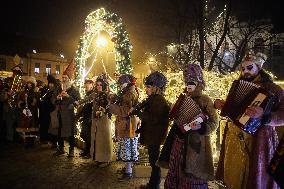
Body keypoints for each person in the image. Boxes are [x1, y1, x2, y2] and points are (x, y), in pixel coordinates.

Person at [215, 51, 284, 189]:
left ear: (259, 67)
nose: (245, 71)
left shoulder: (274, 89)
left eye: (249, 67)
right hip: (234, 142)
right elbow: (233, 112)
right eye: (243, 68)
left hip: (259, 142)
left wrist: (265, 116)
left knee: (255, 179)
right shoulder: (237, 86)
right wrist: (224, 106)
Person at [163, 64, 218, 189]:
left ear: (198, 82)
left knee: (192, 175)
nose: (188, 85)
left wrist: (203, 127)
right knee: (176, 169)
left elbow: (214, 122)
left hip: (195, 145)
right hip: (179, 141)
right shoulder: (183, 98)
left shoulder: (205, 100)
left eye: (191, 82)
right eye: (186, 81)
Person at [130, 71, 170, 189]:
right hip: (153, 135)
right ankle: (153, 184)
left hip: (155, 135)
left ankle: (154, 185)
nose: (146, 89)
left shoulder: (158, 100)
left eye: (148, 87)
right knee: (153, 161)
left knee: (154, 162)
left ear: (156, 88)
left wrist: (139, 113)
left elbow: (153, 119)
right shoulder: (153, 99)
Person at [108, 74, 139, 179]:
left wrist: (111, 107)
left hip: (128, 125)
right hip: (126, 124)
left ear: (126, 84)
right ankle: (127, 168)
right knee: (127, 148)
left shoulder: (129, 94)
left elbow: (125, 111)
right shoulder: (127, 93)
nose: (120, 86)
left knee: (128, 148)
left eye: (122, 84)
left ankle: (128, 172)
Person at [53, 62, 80, 157]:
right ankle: (61, 148)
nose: (64, 80)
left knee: (70, 132)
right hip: (60, 112)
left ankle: (71, 150)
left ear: (69, 79)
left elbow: (78, 102)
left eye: (66, 78)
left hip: (69, 114)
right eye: (63, 77)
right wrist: (57, 98)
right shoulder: (58, 89)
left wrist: (68, 96)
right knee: (59, 131)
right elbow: (53, 100)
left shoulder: (74, 90)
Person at [90, 75, 113, 167]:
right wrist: (76, 102)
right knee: (98, 140)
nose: (99, 86)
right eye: (98, 85)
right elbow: (86, 99)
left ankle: (106, 159)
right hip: (96, 120)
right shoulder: (95, 94)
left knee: (104, 139)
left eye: (101, 85)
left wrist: (102, 111)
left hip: (104, 120)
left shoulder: (107, 95)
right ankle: (99, 158)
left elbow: (109, 106)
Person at [17, 77, 39, 148]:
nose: (29, 85)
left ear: (33, 85)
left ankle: (31, 142)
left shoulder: (35, 92)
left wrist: (33, 102)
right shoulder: (24, 92)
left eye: (31, 84)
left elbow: (36, 102)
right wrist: (21, 103)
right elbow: (20, 100)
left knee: (32, 126)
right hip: (26, 111)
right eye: (28, 83)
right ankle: (27, 141)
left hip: (32, 111)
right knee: (26, 126)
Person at [76, 79, 95, 158]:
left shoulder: (92, 95)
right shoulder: (87, 94)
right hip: (86, 117)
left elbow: (89, 106)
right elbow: (84, 107)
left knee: (87, 135)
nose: (86, 86)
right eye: (85, 84)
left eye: (88, 84)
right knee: (84, 134)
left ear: (91, 85)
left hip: (90, 117)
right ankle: (86, 151)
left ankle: (89, 152)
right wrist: (79, 116)